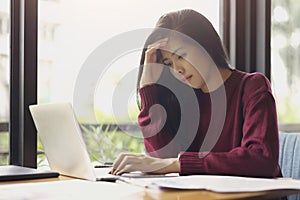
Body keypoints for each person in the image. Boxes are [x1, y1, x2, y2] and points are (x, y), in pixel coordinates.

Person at [109, 9, 282, 178]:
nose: (178, 69)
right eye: (168, 63)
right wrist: (148, 87)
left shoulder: (252, 86)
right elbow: (162, 157)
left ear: (205, 45)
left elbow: (261, 159)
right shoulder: (185, 100)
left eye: (181, 56)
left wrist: (178, 164)